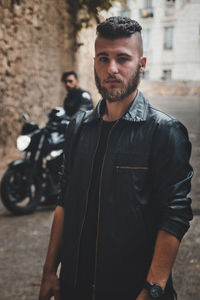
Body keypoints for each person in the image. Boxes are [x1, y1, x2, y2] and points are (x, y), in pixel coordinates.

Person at [39, 17, 193, 300]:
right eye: (103, 58)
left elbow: (174, 216)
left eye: (123, 58)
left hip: (132, 290)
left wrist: (153, 288)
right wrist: (50, 271)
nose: (112, 68)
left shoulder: (165, 132)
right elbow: (64, 202)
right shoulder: (78, 126)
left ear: (141, 64)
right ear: (95, 63)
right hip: (75, 287)